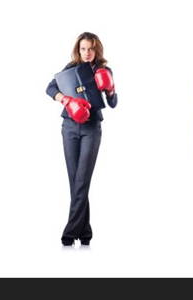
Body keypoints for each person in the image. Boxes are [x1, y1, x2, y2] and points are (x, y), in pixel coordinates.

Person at [45, 32, 117, 246]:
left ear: (97, 50)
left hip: (91, 128)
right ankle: (85, 232)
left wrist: (110, 89)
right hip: (68, 127)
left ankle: (70, 231)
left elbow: (113, 103)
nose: (87, 53)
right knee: (74, 181)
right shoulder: (70, 68)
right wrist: (66, 100)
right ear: (78, 50)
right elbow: (50, 87)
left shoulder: (104, 70)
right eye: (83, 49)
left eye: (91, 49)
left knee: (82, 180)